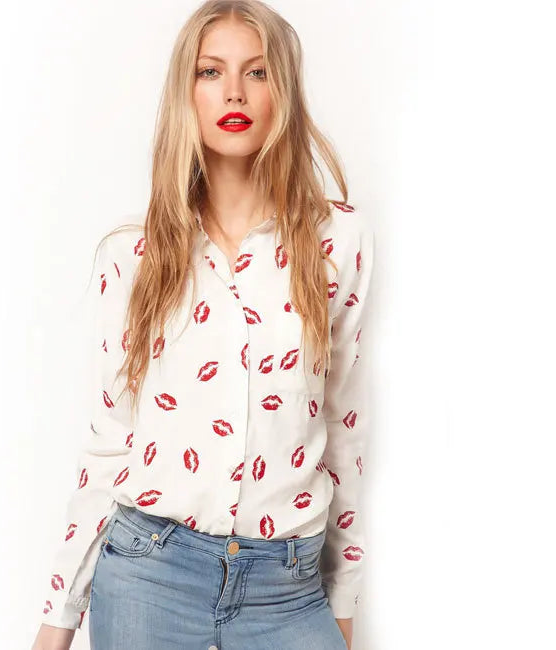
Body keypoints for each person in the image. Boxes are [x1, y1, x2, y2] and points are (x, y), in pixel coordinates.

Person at [32, 1, 375, 648]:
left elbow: (343, 427)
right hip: (150, 574)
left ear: (283, 90)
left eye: (257, 72)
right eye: (210, 71)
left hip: (288, 585)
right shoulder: (133, 256)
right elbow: (111, 442)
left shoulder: (338, 240)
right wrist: (57, 623)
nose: (234, 92)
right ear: (185, 91)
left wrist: (344, 603)